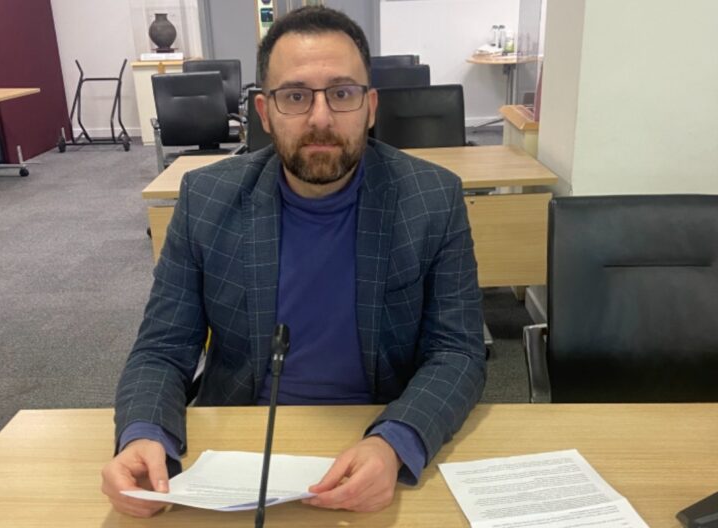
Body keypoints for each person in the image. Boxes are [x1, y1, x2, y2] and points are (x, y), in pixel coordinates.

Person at [101, 5, 486, 517]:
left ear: (370, 107)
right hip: (238, 450)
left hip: (374, 438)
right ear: (264, 112)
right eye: (296, 96)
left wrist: (395, 441)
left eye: (342, 94)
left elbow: (457, 351)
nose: (320, 118)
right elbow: (162, 348)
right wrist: (143, 433)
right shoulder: (206, 199)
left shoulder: (433, 199)